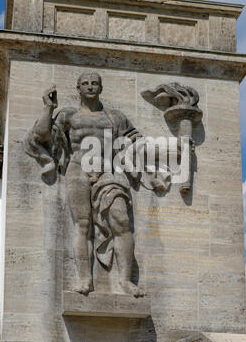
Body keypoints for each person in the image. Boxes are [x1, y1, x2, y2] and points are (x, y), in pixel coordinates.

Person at [25, 72, 169, 297]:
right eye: (85, 84)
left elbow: (137, 142)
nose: (90, 87)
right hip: (77, 170)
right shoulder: (68, 115)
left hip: (107, 172)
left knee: (121, 220)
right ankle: (85, 279)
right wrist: (48, 108)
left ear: (100, 88)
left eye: (94, 83)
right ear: (78, 88)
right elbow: (42, 135)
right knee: (82, 226)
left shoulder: (115, 117)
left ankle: (125, 280)